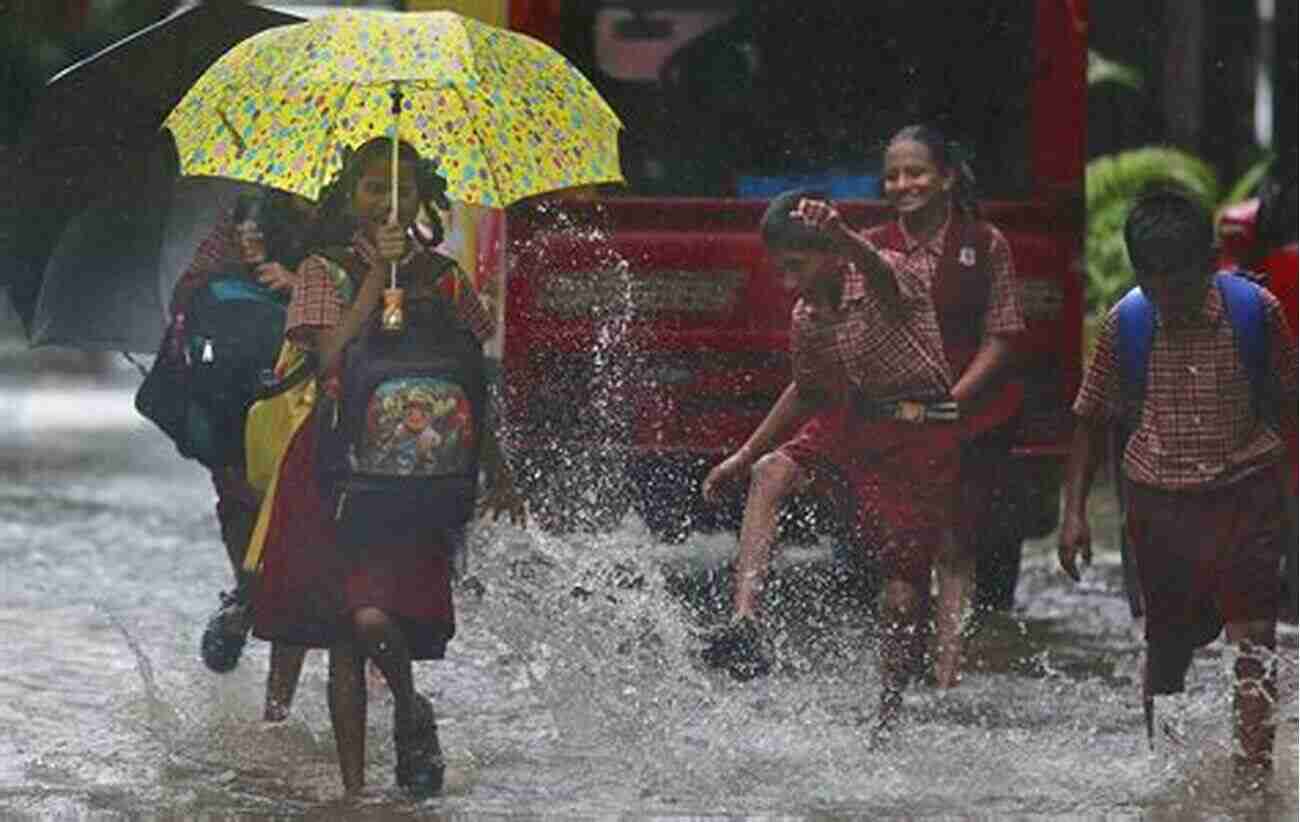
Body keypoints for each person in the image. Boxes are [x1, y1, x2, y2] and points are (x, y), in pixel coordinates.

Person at [246, 136, 522, 797]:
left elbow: (470, 381)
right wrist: (376, 280)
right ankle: (354, 796)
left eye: (401, 189)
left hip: (417, 478)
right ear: (350, 196)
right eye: (373, 187)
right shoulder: (320, 270)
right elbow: (327, 356)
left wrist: (499, 471)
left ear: (422, 198)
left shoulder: (444, 275)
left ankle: (407, 708)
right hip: (332, 471)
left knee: (374, 619)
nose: (386, 201)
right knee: (342, 628)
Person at [699, 181, 960, 736]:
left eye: (796, 264)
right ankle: (745, 621)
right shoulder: (807, 316)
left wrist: (844, 236)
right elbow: (809, 391)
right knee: (772, 471)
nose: (786, 280)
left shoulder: (886, 270)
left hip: (920, 435)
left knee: (899, 596)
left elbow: (885, 280)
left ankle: (887, 719)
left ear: (831, 254)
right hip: (854, 422)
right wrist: (743, 456)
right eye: (780, 266)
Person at [1058, 187, 1297, 789]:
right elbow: (1089, 417)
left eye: (1181, 283)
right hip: (1158, 506)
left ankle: (1252, 781)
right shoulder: (1128, 322)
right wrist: (1074, 514)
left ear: (1210, 261)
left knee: (1253, 647)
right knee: (1167, 649)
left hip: (1245, 495)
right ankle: (1161, 770)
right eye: (1154, 282)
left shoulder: (1256, 313)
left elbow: (1292, 404)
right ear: (1139, 274)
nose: (1169, 298)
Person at [862, 125, 1026, 636]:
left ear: (947, 178)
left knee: (956, 545)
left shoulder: (985, 243)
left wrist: (951, 401)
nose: (902, 185)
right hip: (894, 418)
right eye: (891, 176)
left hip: (969, 418)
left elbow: (1001, 335)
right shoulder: (870, 248)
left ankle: (948, 674)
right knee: (897, 552)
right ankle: (898, 670)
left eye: (915, 172)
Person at [169, 188, 314, 722]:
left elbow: (369, 310)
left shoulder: (344, 234)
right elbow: (186, 299)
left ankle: (276, 712)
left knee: (290, 563)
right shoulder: (235, 221)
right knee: (247, 530)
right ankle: (247, 600)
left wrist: (303, 289)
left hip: (306, 411)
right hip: (232, 412)